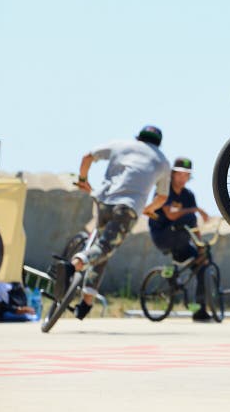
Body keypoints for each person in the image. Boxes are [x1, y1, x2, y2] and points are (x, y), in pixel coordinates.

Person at [54, 125, 170, 320]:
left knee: (101, 248)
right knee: (105, 248)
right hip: (127, 208)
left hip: (104, 202)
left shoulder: (121, 144)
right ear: (158, 143)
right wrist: (148, 209)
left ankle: (87, 302)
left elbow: (87, 157)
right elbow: (162, 198)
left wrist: (83, 179)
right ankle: (74, 264)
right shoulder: (162, 161)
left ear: (139, 137)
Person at [148, 157, 212, 322]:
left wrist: (200, 246)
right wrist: (196, 209)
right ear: (173, 174)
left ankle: (200, 310)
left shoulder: (188, 195)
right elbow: (171, 214)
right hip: (163, 236)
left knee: (203, 264)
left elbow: (194, 225)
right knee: (188, 216)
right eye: (180, 175)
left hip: (181, 238)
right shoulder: (164, 190)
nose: (183, 179)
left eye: (186, 175)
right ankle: (172, 274)